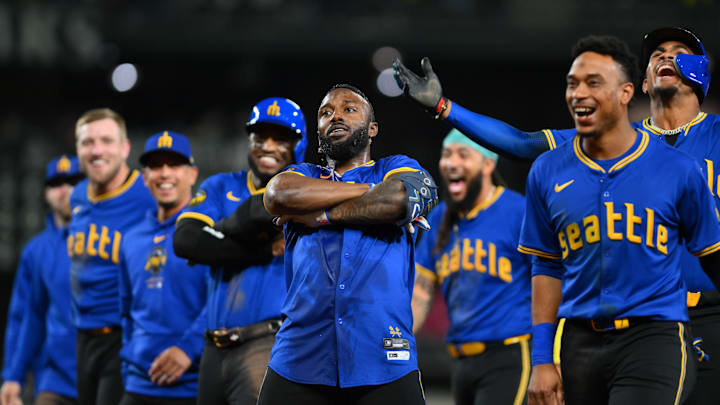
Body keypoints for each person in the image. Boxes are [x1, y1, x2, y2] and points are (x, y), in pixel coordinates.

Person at [395, 26, 720, 405]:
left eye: (679, 51)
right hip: (631, 326)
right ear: (641, 84)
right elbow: (522, 142)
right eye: (657, 53)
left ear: (700, 71)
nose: (665, 56)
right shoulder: (610, 138)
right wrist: (444, 107)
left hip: (710, 315)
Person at [516, 35, 720, 405]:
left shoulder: (680, 167)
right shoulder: (550, 168)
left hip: (661, 330)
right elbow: (545, 266)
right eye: (572, 83)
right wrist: (543, 359)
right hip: (580, 338)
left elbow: (712, 253)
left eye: (594, 82)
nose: (579, 92)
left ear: (625, 93)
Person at [257, 83, 437, 405]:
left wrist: (321, 214)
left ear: (372, 129)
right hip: (299, 357)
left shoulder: (396, 167)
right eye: (326, 113)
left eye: (349, 109)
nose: (336, 116)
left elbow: (398, 199)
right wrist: (371, 191)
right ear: (318, 130)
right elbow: (278, 195)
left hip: (384, 358)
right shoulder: (303, 173)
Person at [173, 97, 308, 405]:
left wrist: (219, 233)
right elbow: (187, 241)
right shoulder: (222, 185)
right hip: (213, 347)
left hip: (266, 343)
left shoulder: (304, 192)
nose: (268, 146)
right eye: (260, 137)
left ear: (299, 144)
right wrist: (260, 249)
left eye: (280, 138)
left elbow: (206, 242)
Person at [412, 129, 531, 405]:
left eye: (463, 154)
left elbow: (550, 284)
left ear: (489, 163)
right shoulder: (440, 217)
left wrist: (553, 359)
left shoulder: (519, 212)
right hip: (460, 361)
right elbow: (421, 292)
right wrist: (397, 341)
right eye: (447, 154)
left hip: (510, 355)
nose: (452, 162)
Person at [68, 108, 155, 405]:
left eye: (106, 140)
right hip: (83, 336)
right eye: (87, 142)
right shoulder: (78, 195)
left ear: (125, 147)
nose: (96, 150)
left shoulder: (149, 192)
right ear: (77, 149)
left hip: (125, 336)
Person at [118, 131, 208, 405]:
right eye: (156, 166)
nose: (165, 173)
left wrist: (188, 348)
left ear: (192, 174)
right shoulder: (131, 238)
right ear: (144, 177)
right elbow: (126, 311)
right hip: (137, 384)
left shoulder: (210, 231)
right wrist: (128, 364)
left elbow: (223, 301)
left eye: (174, 165)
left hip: (192, 385)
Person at [1, 156, 84, 405]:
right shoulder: (35, 250)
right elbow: (23, 315)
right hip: (54, 378)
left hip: (106, 373)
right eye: (56, 183)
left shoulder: (109, 238)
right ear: (46, 193)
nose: (65, 190)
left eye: (73, 181)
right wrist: (12, 375)